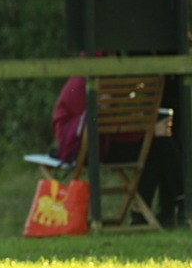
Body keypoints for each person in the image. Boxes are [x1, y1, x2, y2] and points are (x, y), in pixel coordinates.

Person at [52, 76, 186, 228]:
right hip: (86, 147)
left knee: (156, 145)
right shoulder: (88, 83)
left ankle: (143, 213)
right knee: (157, 144)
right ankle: (179, 203)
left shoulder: (84, 81)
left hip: (93, 145)